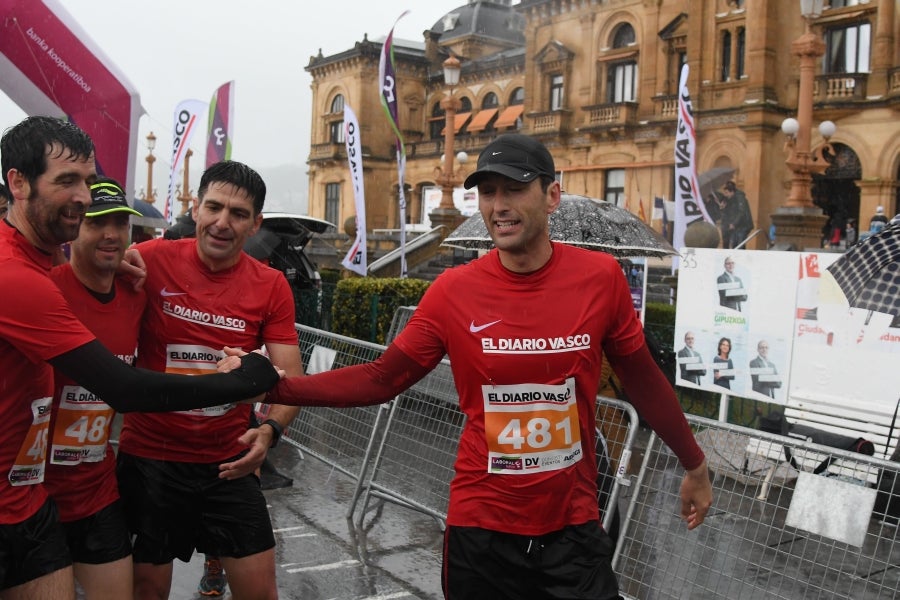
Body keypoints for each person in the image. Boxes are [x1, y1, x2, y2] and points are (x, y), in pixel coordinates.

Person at [234, 134, 713, 599]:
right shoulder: (453, 290)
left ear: (552, 195)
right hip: (481, 528)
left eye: (514, 189)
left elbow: (643, 379)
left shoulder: (600, 278)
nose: (498, 205)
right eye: (487, 193)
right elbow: (383, 378)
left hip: (573, 524)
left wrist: (694, 464)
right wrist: (277, 389)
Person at [0, 116, 278, 598]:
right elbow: (123, 388)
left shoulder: (113, 277)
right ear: (18, 183)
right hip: (35, 493)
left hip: (55, 496)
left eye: (88, 183)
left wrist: (271, 425)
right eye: (67, 182)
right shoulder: (26, 280)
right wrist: (243, 380)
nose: (85, 198)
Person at [116, 160, 304, 600]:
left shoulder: (271, 285)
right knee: (147, 588)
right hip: (151, 459)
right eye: (214, 208)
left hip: (228, 462)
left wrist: (269, 431)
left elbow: (291, 377)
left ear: (255, 223)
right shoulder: (150, 259)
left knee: (261, 590)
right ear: (196, 208)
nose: (222, 222)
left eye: (238, 214)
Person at [44, 177, 145, 599]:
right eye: (96, 222)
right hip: (35, 498)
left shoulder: (136, 292)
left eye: (121, 224)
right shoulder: (46, 289)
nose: (111, 234)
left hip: (97, 490)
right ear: (73, 232)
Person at [718, 181, 753, 249]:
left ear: (732, 192)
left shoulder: (740, 198)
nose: (725, 195)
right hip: (736, 227)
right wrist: (722, 208)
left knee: (739, 246)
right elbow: (729, 213)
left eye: (727, 193)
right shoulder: (729, 199)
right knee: (735, 245)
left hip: (743, 226)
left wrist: (734, 223)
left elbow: (741, 212)